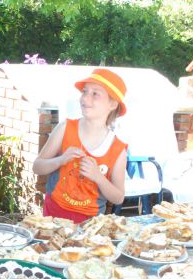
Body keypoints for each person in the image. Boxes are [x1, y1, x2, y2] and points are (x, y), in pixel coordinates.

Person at [33, 68, 128, 223]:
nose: (85, 98)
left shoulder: (117, 149)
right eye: (84, 91)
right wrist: (61, 160)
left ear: (112, 104)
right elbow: (37, 167)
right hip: (53, 216)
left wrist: (98, 177)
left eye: (95, 93)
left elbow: (118, 197)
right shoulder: (65, 128)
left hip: (90, 224)